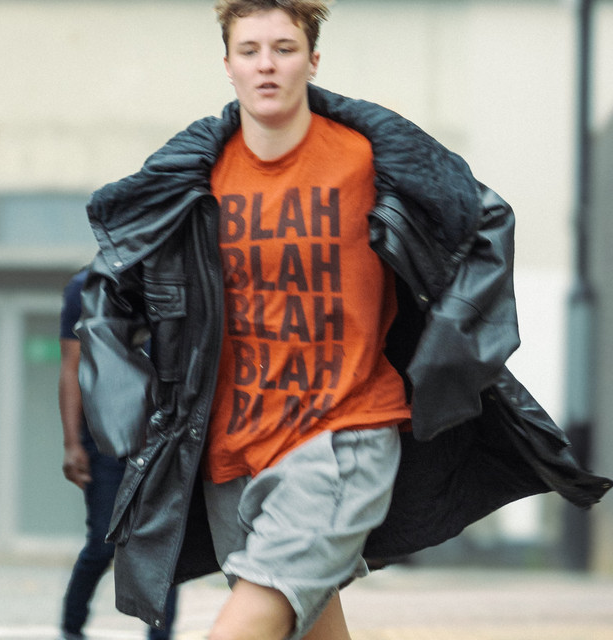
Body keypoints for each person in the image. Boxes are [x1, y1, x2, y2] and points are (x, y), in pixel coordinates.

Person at [75, 1, 612, 639]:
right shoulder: (194, 179)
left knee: (249, 618)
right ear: (228, 64)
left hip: (342, 435)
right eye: (250, 51)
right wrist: (116, 384)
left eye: (284, 49)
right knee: (304, 621)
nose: (267, 65)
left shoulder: (372, 159)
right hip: (231, 451)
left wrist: (452, 350)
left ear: (313, 60)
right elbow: (113, 283)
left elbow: (481, 224)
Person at [58, 269, 178, 640]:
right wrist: (72, 443)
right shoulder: (85, 288)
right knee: (102, 543)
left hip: (162, 434)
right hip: (105, 435)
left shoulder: (170, 278)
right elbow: (72, 367)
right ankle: (71, 629)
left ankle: (160, 636)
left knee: (162, 543)